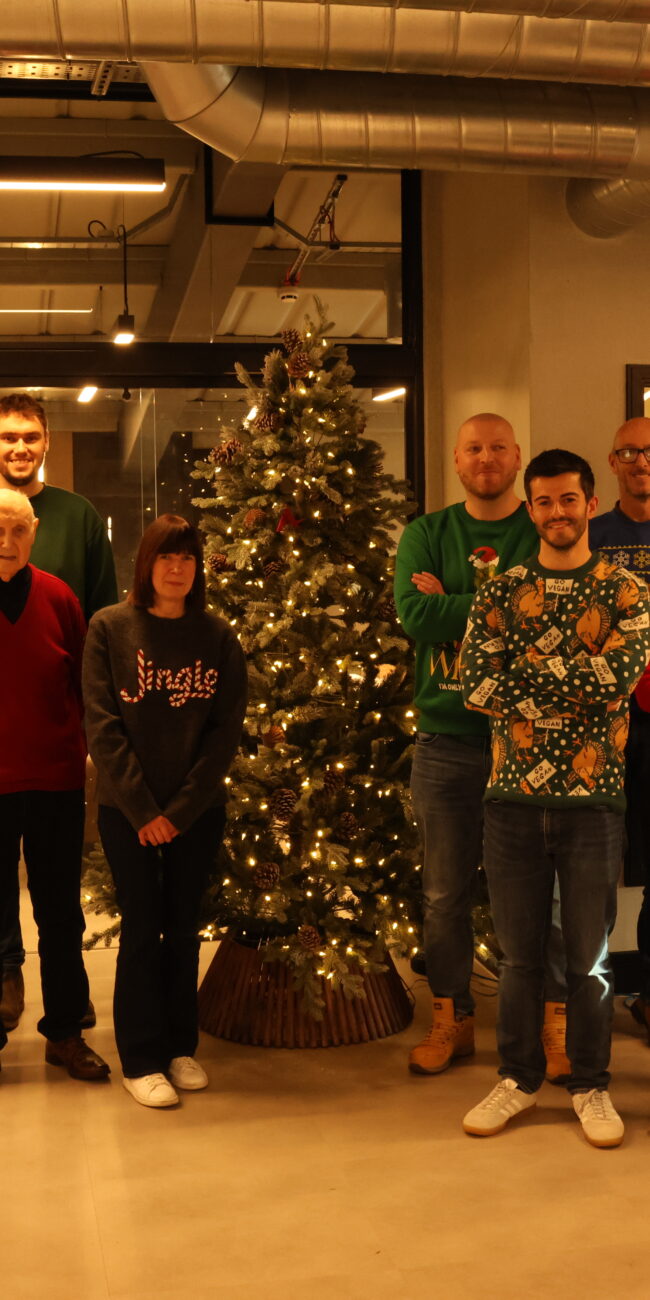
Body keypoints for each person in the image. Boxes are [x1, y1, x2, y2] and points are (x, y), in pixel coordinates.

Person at [460, 449, 650, 1148]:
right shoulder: (501, 591)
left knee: (590, 960)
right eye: (543, 501)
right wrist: (575, 684)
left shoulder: (627, 592)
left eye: (569, 499)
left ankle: (591, 1084)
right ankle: (518, 1078)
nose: (557, 512)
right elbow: (477, 685)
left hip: (594, 803)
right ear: (531, 509)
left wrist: (529, 678)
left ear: (590, 504)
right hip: (510, 800)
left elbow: (616, 681)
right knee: (517, 958)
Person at [394, 413, 568, 1079]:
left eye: (498, 447)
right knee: (444, 894)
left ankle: (553, 1024)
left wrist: (456, 601)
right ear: (457, 460)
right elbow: (416, 616)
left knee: (542, 893)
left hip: (526, 740)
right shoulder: (427, 533)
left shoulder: (539, 526)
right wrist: (502, 603)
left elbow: (550, 612)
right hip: (446, 741)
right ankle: (452, 1018)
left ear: (517, 457)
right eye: (474, 448)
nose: (486, 458)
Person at [82, 514, 247, 1108]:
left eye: (187, 559)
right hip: (127, 812)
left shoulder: (217, 636)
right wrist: (145, 809)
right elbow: (102, 725)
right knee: (141, 932)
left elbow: (224, 733)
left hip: (196, 812)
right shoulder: (110, 627)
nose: (177, 569)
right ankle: (141, 1059)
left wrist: (178, 812)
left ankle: (180, 1047)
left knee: (181, 929)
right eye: (166, 557)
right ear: (146, 564)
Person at [0, 392, 118, 1031]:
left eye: (30, 436)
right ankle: (7, 984)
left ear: (46, 442)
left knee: (57, 900)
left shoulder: (77, 516)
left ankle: (66, 1019)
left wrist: (97, 736)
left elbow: (101, 634)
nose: (19, 447)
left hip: (54, 753)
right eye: (7, 436)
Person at [589, 418, 650, 1034]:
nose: (641, 461)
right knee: (595, 859)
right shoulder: (593, 536)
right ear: (612, 463)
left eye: (649, 451)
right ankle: (588, 993)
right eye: (629, 452)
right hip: (600, 720)